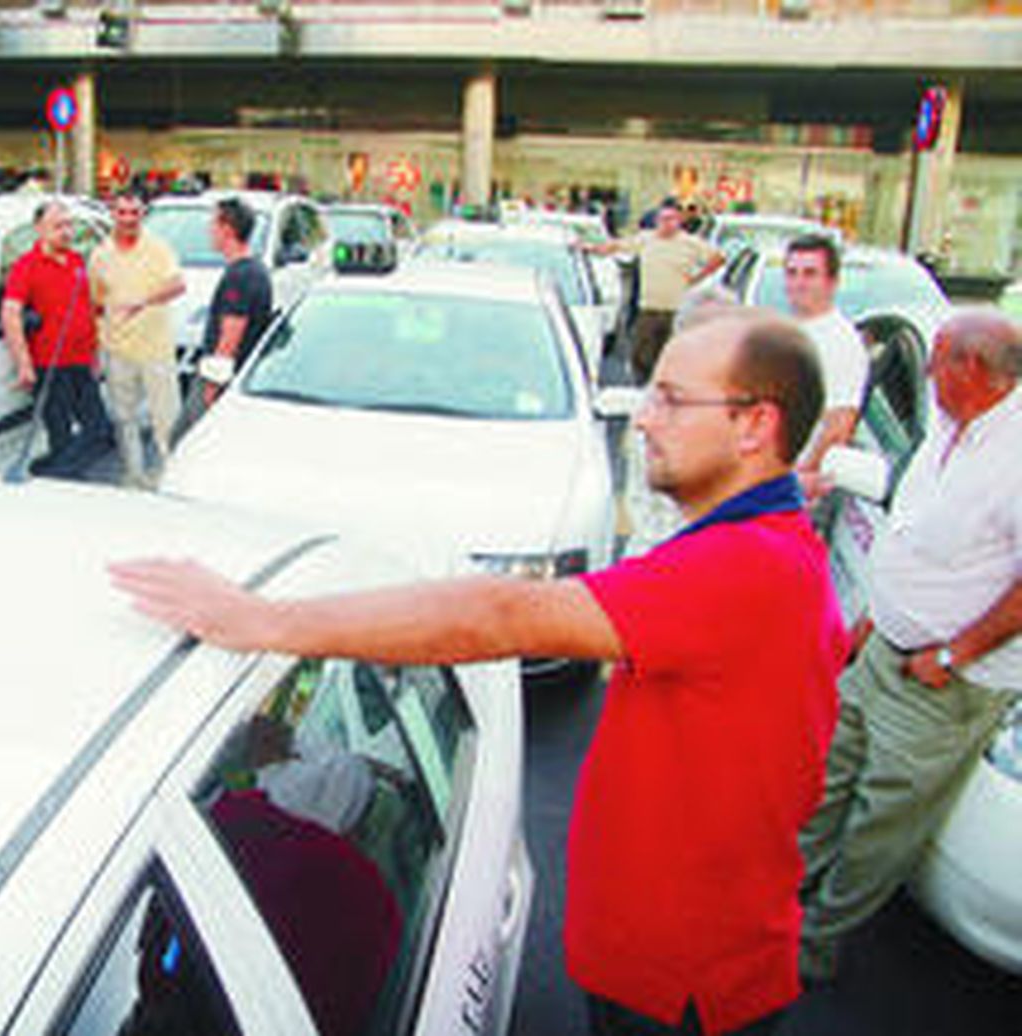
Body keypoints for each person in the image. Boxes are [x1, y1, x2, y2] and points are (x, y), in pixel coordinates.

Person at [114, 312, 849, 1036]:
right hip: (672, 967)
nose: (646, 420)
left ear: (756, 425)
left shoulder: (746, 568)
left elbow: (497, 616)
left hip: (685, 989)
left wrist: (265, 622)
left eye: (672, 399)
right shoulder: (754, 552)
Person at [798, 310, 1022, 984]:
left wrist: (951, 655)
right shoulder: (953, 427)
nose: (924, 371)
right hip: (882, 650)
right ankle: (777, 900)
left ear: (973, 371)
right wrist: (873, 620)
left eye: (938, 359)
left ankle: (813, 946)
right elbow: (910, 533)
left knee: (879, 826)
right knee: (826, 780)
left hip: (943, 681)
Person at [1, 199, 113, 477]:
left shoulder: (76, 261)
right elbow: (10, 313)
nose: (66, 231)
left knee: (100, 432)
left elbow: (88, 310)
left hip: (81, 364)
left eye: (68, 225)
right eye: (58, 226)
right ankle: (65, 483)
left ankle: (51, 473)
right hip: (49, 365)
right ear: (39, 229)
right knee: (60, 435)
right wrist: (23, 364)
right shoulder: (26, 266)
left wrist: (95, 353)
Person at [88, 189, 186, 489]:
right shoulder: (100, 255)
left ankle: (173, 479)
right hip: (117, 348)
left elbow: (178, 285)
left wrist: (143, 302)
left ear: (143, 215)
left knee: (166, 421)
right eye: (122, 213)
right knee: (124, 419)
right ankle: (134, 477)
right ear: (112, 215)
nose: (129, 219)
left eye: (135, 213)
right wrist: (95, 349)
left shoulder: (158, 249)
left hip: (155, 350)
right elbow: (96, 304)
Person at [590, 198, 725, 384]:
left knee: (674, 354)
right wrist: (589, 247)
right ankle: (643, 384)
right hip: (649, 308)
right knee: (642, 352)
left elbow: (718, 258)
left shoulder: (690, 243)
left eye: (671, 219)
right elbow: (616, 246)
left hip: (676, 309)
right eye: (663, 220)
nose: (666, 224)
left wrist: (696, 278)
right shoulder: (646, 239)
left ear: (679, 221)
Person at [782, 233, 868, 489]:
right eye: (791, 272)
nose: (798, 282)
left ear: (832, 282)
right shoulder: (793, 330)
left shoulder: (840, 342)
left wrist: (796, 483)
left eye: (810, 274)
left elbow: (839, 426)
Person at [199, 197, 272, 404]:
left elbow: (231, 335)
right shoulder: (254, 270)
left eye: (213, 224)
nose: (209, 231)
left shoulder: (239, 277)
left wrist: (212, 385)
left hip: (226, 379)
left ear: (228, 230)